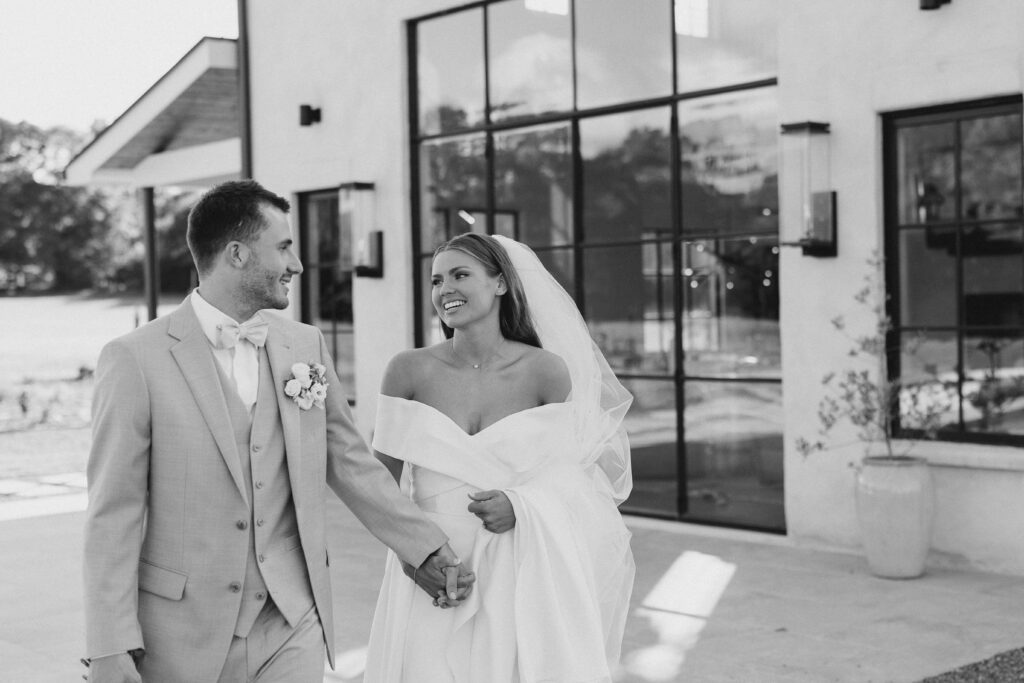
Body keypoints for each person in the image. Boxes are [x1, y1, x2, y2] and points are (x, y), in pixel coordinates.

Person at [82, 180, 473, 683]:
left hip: (294, 618)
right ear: (238, 254)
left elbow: (351, 462)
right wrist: (109, 646)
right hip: (182, 632)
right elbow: (112, 514)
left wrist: (425, 545)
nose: (298, 265)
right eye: (284, 247)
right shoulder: (134, 359)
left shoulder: (303, 345)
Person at [364, 233, 635, 682]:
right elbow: (376, 486)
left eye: (460, 274)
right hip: (433, 568)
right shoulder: (407, 371)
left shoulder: (546, 372)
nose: (445, 288)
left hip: (521, 568)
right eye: (436, 280)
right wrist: (418, 560)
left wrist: (521, 505)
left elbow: (577, 484)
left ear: (500, 284)